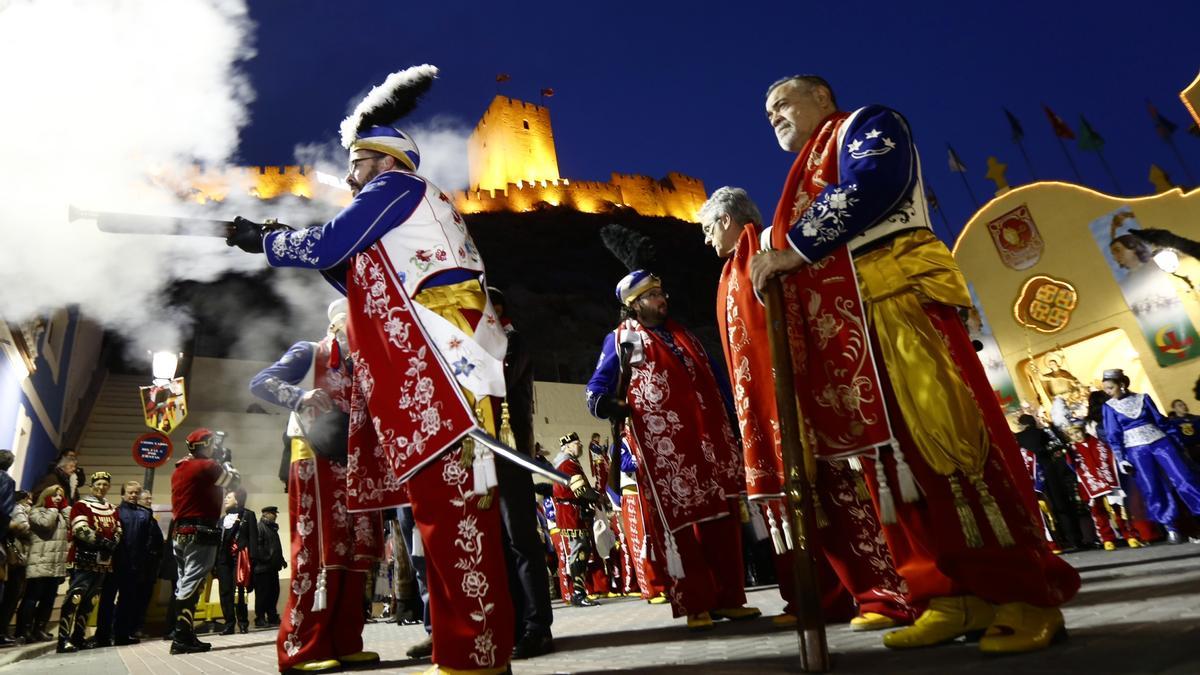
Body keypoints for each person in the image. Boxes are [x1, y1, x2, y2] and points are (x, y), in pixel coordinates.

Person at [747, 74, 1079, 652]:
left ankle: (1022, 593)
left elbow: (875, 183)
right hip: (850, 326)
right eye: (767, 110)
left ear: (822, 98)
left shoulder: (868, 125)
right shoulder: (802, 169)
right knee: (894, 465)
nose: (773, 115)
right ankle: (950, 593)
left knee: (951, 441)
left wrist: (789, 250)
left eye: (782, 102)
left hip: (896, 298)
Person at [229, 65, 514, 675]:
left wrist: (270, 243)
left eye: (356, 165)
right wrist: (282, 240)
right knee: (449, 519)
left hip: (437, 377)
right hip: (442, 375)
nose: (350, 178)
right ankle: (465, 651)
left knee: (450, 520)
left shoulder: (394, 188)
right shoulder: (410, 209)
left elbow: (332, 245)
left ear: (381, 160)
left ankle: (475, 659)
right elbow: (354, 276)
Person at [699, 186, 914, 631]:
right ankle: (826, 598)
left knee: (839, 507)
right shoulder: (728, 273)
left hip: (803, 407)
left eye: (706, 229)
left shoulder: (770, 246)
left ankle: (885, 596)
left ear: (725, 221)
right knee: (804, 514)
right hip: (768, 412)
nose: (704, 240)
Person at [586, 272, 760, 631]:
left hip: (711, 443)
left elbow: (717, 381)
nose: (661, 299)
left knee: (723, 522)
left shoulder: (687, 336)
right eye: (651, 295)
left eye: (661, 292)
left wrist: (737, 420)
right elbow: (598, 389)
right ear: (634, 305)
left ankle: (730, 598)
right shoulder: (624, 339)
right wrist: (610, 406)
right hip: (667, 451)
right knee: (684, 527)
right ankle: (696, 603)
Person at [250, 298, 382, 673]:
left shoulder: (363, 368)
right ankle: (301, 649)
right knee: (317, 550)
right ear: (337, 326)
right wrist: (299, 395)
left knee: (354, 551)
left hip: (353, 460)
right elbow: (260, 382)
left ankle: (345, 641)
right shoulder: (309, 352)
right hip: (312, 455)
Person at [487, 286, 555, 659]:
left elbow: (497, 381)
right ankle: (511, 624)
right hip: (484, 452)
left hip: (510, 452)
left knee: (521, 540)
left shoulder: (511, 342)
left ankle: (537, 625)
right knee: (498, 541)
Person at [1101, 369, 1200, 544]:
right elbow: (1113, 434)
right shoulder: (1109, 407)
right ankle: (1171, 526)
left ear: (1122, 385)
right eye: (1106, 389)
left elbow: (1160, 421)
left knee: (1184, 478)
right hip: (1135, 450)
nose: (1107, 392)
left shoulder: (1143, 398)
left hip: (1161, 442)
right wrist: (1121, 458)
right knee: (1152, 486)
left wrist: (1177, 442)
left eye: (1110, 387)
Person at [170, 428, 239, 655]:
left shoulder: (180, 468)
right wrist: (225, 460)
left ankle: (186, 635)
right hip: (200, 531)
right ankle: (181, 638)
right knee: (192, 584)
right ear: (206, 445)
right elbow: (234, 482)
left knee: (184, 582)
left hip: (180, 532)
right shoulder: (207, 466)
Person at [57, 471, 121, 653]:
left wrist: (114, 541)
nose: (101, 488)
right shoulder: (81, 505)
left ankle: (79, 637)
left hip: (103, 561)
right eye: (98, 484)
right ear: (92, 486)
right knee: (75, 597)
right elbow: (80, 529)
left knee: (90, 600)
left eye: (105, 485)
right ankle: (63, 639)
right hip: (83, 558)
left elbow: (117, 529)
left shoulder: (112, 508)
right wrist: (100, 541)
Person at [95, 480, 158, 646]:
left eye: (136, 492)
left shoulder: (145, 514)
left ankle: (122, 635)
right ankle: (102, 636)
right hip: (115, 564)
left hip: (134, 565)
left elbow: (149, 541)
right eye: (130, 492)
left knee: (127, 601)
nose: (133, 495)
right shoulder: (114, 512)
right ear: (123, 494)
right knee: (107, 600)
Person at [1063, 425, 1142, 550]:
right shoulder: (1072, 450)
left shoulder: (1099, 443)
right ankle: (1107, 538)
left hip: (1109, 480)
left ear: (1082, 431)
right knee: (1098, 512)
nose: (1076, 436)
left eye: (1077, 432)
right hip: (1091, 484)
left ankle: (1130, 535)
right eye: (1072, 435)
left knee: (1119, 509)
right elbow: (1073, 466)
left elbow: (1110, 458)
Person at [1015, 415, 1083, 551]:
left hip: (1034, 475)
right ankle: (1074, 539)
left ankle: (1055, 540)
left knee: (1045, 509)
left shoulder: (1019, 438)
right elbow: (1059, 444)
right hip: (1051, 471)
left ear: (1022, 425)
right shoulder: (1044, 433)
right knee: (1062, 504)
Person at [550, 433, 601, 608]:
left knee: (580, 550)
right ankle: (579, 593)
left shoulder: (567, 463)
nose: (580, 445)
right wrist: (598, 498)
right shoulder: (567, 464)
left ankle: (578, 592)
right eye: (577, 443)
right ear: (568, 446)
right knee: (580, 550)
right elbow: (580, 490)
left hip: (571, 510)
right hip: (571, 512)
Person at [14, 485, 68, 643]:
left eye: (61, 496)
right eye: (55, 495)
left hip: (55, 564)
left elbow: (71, 522)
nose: (58, 498)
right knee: (32, 597)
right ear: (46, 496)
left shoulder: (60, 514)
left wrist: (64, 508)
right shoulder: (36, 512)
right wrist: (52, 509)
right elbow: (45, 524)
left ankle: (40, 629)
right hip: (39, 561)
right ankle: (23, 630)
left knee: (49, 599)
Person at [216, 489, 256, 635]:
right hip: (223, 560)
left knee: (239, 592)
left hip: (240, 559)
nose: (225, 499)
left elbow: (253, 539)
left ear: (237, 499)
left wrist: (253, 562)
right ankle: (229, 624)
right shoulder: (221, 519)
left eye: (229, 497)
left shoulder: (248, 515)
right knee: (225, 592)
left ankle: (243, 622)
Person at [0, 489, 32, 645]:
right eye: (30, 499)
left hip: (16, 556)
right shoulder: (19, 509)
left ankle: (4, 631)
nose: (31, 502)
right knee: (11, 595)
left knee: (12, 596)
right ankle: (2, 631)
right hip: (16, 557)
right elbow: (24, 528)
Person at [253, 505, 285, 628]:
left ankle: (272, 616)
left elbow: (276, 547)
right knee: (262, 595)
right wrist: (267, 559)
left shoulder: (272, 528)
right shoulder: (260, 527)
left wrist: (281, 560)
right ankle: (260, 618)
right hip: (263, 568)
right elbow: (258, 547)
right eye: (273, 513)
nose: (276, 515)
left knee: (273, 593)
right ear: (266, 514)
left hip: (272, 568)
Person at [1166, 399, 1200, 463]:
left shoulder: (1196, 418)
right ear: (1174, 409)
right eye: (1180, 405)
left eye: (1184, 405)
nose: (1184, 407)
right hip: (1189, 450)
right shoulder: (1172, 423)